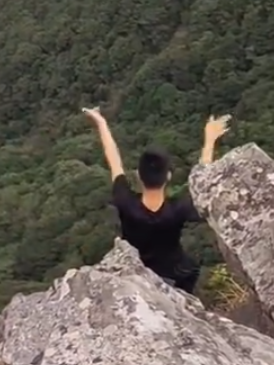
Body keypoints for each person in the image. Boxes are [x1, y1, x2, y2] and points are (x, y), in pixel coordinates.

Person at [82, 107, 231, 294]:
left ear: (138, 175)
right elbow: (203, 181)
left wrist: (101, 122)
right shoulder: (179, 208)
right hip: (176, 273)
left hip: (138, 271)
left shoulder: (126, 202)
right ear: (168, 176)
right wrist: (209, 140)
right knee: (190, 272)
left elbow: (114, 160)